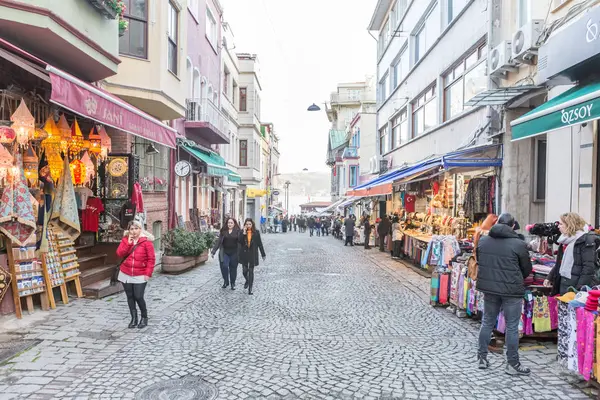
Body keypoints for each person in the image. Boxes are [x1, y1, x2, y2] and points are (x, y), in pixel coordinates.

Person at [476, 213, 532, 375]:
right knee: (512, 326)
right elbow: (527, 269)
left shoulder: (484, 240)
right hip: (512, 290)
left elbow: (481, 261)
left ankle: (481, 358)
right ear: (513, 226)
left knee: (487, 322)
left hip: (490, 288)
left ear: (498, 223)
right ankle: (512, 363)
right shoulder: (518, 244)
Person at [545, 212, 600, 295]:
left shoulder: (585, 241)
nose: (558, 226)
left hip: (575, 287)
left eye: (561, 224)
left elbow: (588, 269)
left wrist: (578, 289)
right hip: (564, 283)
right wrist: (550, 277)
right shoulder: (564, 241)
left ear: (569, 225)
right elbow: (560, 263)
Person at [116, 218, 156, 329]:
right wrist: (128, 243)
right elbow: (119, 253)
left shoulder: (146, 242)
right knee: (130, 296)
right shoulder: (125, 240)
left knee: (138, 296)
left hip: (140, 274)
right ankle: (134, 318)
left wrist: (148, 273)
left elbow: (151, 259)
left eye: (136, 228)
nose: (134, 231)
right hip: (126, 273)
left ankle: (144, 317)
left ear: (140, 229)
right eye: (131, 229)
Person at [211, 217, 241, 290]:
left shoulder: (238, 231)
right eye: (228, 223)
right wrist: (213, 251)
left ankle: (233, 283)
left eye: (231, 223)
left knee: (233, 268)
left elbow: (241, 242)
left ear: (234, 224)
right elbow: (218, 242)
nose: (230, 224)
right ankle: (226, 281)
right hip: (225, 252)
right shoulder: (223, 231)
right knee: (224, 266)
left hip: (234, 252)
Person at [239, 218, 266, 295]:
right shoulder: (242, 232)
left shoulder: (256, 232)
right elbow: (240, 242)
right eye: (247, 224)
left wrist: (263, 254)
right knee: (244, 271)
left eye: (250, 224)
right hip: (244, 254)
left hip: (252, 254)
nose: (248, 226)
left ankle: (250, 289)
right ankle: (247, 280)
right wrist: (243, 233)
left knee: (251, 271)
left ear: (252, 225)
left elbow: (260, 244)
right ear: (245, 225)